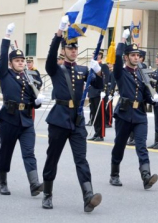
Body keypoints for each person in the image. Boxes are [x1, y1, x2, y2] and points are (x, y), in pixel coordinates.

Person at [41, 16, 103, 212]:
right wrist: (58, 34)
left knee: (81, 159)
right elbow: (50, 56)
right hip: (59, 119)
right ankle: (48, 194)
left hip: (77, 120)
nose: (74, 51)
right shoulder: (56, 69)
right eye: (70, 48)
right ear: (63, 50)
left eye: (75, 48)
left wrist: (99, 72)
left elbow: (99, 86)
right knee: (53, 157)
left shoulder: (83, 70)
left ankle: (88, 196)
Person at [0, 23, 47, 197]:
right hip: (9, 118)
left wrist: (38, 101)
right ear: (11, 63)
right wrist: (6, 37)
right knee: (6, 151)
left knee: (29, 153)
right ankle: (3, 182)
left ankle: (34, 184)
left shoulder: (29, 77)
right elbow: (2, 57)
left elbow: (33, 101)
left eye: (22, 60)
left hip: (25, 120)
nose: (21, 63)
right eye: (17, 61)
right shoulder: (5, 73)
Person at [109, 29, 158, 189]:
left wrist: (153, 99)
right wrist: (122, 41)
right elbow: (117, 59)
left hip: (139, 114)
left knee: (141, 145)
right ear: (127, 57)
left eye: (137, 55)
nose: (136, 58)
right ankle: (114, 174)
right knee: (120, 144)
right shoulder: (121, 72)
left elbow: (145, 94)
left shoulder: (141, 74)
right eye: (132, 55)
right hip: (125, 113)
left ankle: (146, 176)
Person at [88, 51, 106, 141]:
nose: (95, 56)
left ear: (100, 56)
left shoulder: (103, 66)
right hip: (92, 93)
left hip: (99, 93)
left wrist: (105, 90)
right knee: (94, 114)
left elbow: (105, 79)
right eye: (94, 54)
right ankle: (96, 133)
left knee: (100, 115)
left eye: (98, 54)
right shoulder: (91, 67)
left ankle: (101, 134)